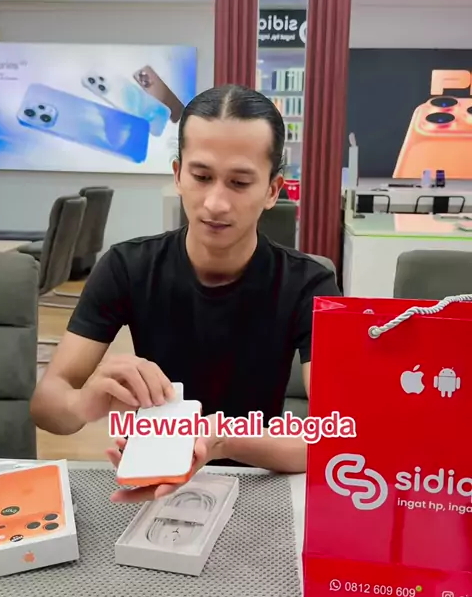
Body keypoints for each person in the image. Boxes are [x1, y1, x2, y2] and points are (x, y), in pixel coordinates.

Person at [30, 84, 340, 502]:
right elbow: (47, 406)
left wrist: (220, 440)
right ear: (178, 175)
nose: (215, 203)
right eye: (201, 177)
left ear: (272, 190)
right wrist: (84, 402)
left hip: (260, 484)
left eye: (239, 182)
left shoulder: (309, 285)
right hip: (154, 481)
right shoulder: (128, 267)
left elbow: (333, 439)